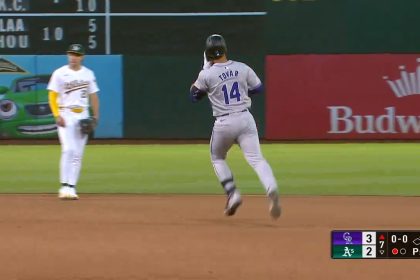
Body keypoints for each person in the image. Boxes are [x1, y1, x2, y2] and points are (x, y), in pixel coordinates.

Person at [190, 34, 281, 219]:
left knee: (217, 158)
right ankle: (271, 187)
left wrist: (205, 69)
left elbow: (193, 96)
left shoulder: (206, 74)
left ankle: (233, 194)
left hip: (223, 123)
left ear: (208, 54)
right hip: (245, 118)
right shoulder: (242, 67)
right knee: (257, 159)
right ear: (225, 49)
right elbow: (258, 88)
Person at [47, 43, 100, 200]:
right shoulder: (59, 73)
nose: (73, 57)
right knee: (68, 150)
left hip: (82, 115)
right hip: (65, 114)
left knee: (78, 154)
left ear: (82, 57)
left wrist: (96, 116)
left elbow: (94, 96)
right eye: (71, 54)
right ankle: (63, 186)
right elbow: (52, 96)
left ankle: (71, 186)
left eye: (76, 55)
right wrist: (57, 114)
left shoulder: (88, 74)